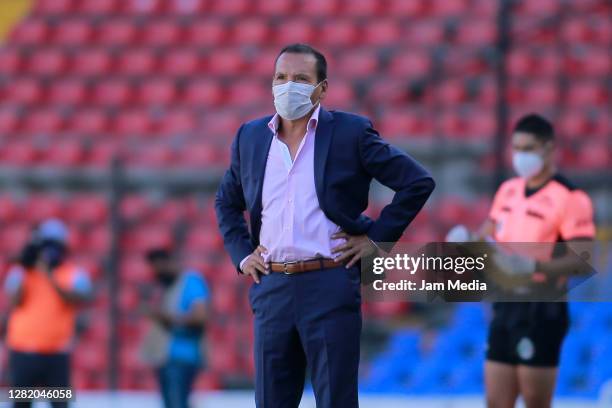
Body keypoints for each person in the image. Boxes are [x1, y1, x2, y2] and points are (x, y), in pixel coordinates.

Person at [215, 43, 435, 407]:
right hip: (272, 287)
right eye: (281, 77)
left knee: (336, 400)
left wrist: (377, 241)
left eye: (301, 79)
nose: (288, 86)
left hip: (329, 281)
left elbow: (417, 182)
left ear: (322, 88)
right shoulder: (250, 138)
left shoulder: (351, 132)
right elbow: (226, 201)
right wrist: (241, 254)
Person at [447, 114, 596, 408]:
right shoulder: (508, 190)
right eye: (516, 148)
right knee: (496, 401)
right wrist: (467, 239)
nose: (520, 156)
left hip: (541, 308)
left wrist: (533, 267)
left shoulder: (569, 197)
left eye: (528, 148)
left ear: (549, 148)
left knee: (535, 401)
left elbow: (584, 260)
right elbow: (488, 238)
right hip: (505, 305)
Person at [3, 219, 93, 408]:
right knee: (21, 403)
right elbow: (14, 301)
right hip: (23, 352)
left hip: (57, 354)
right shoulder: (23, 272)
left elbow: (78, 298)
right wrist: (26, 269)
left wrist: (49, 275)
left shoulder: (72, 273)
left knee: (59, 403)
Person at [140, 248, 209, 408]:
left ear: (169, 263)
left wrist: (165, 317)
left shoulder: (191, 281)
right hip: (166, 358)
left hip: (183, 356)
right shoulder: (168, 287)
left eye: (158, 268)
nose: (156, 274)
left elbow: (200, 317)